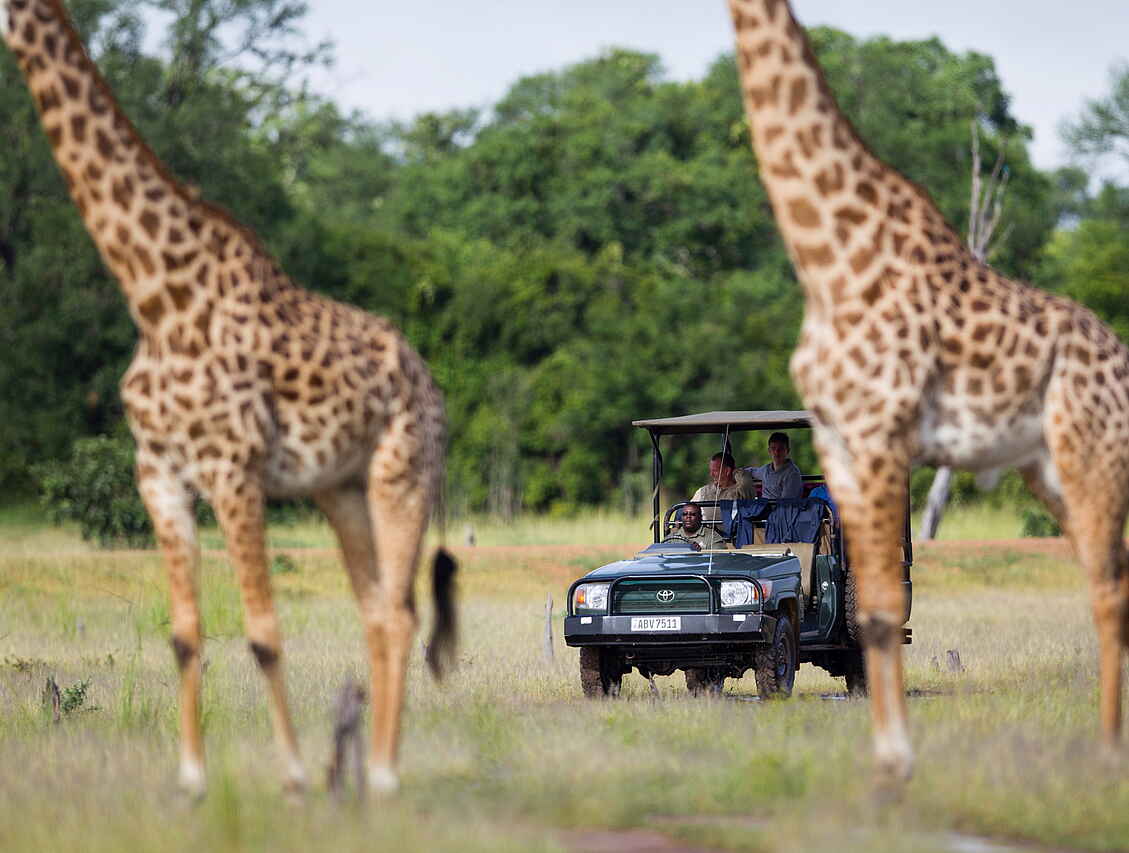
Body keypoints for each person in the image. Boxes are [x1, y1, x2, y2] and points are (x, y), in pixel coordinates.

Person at [691, 451, 755, 521]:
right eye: (711, 471)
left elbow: (745, 482)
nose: (711, 474)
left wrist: (735, 472)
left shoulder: (740, 491)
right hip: (708, 528)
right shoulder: (703, 491)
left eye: (715, 471)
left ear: (727, 471)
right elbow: (688, 510)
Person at [738, 432, 803, 500]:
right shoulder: (766, 470)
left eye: (781, 449)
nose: (776, 452)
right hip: (763, 504)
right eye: (773, 448)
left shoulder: (792, 474)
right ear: (769, 451)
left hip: (779, 506)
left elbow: (786, 502)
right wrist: (737, 472)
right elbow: (751, 471)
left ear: (787, 451)